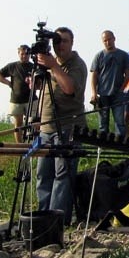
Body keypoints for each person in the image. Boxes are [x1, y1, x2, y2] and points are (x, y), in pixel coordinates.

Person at [34, 27, 88, 217]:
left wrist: (54, 67)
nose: (60, 45)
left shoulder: (76, 64)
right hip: (46, 127)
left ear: (72, 43)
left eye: (64, 41)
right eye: (57, 41)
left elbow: (69, 89)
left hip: (67, 127)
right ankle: (43, 216)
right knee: (43, 175)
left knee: (62, 175)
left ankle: (57, 218)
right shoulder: (49, 64)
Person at [89, 30, 129, 135]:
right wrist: (94, 93)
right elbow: (94, 75)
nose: (108, 42)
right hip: (102, 94)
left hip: (118, 94)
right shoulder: (99, 56)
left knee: (120, 123)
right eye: (105, 41)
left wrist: (122, 89)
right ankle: (102, 148)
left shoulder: (123, 55)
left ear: (114, 39)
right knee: (103, 124)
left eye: (109, 39)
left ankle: (120, 147)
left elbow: (128, 74)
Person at [0, 45, 33, 142]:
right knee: (18, 124)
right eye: (22, 54)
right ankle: (19, 145)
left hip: (31, 98)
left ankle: (32, 143)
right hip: (16, 99)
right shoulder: (12, 66)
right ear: (19, 54)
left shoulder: (33, 66)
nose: (24, 56)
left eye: (26, 54)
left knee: (34, 122)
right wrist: (8, 83)